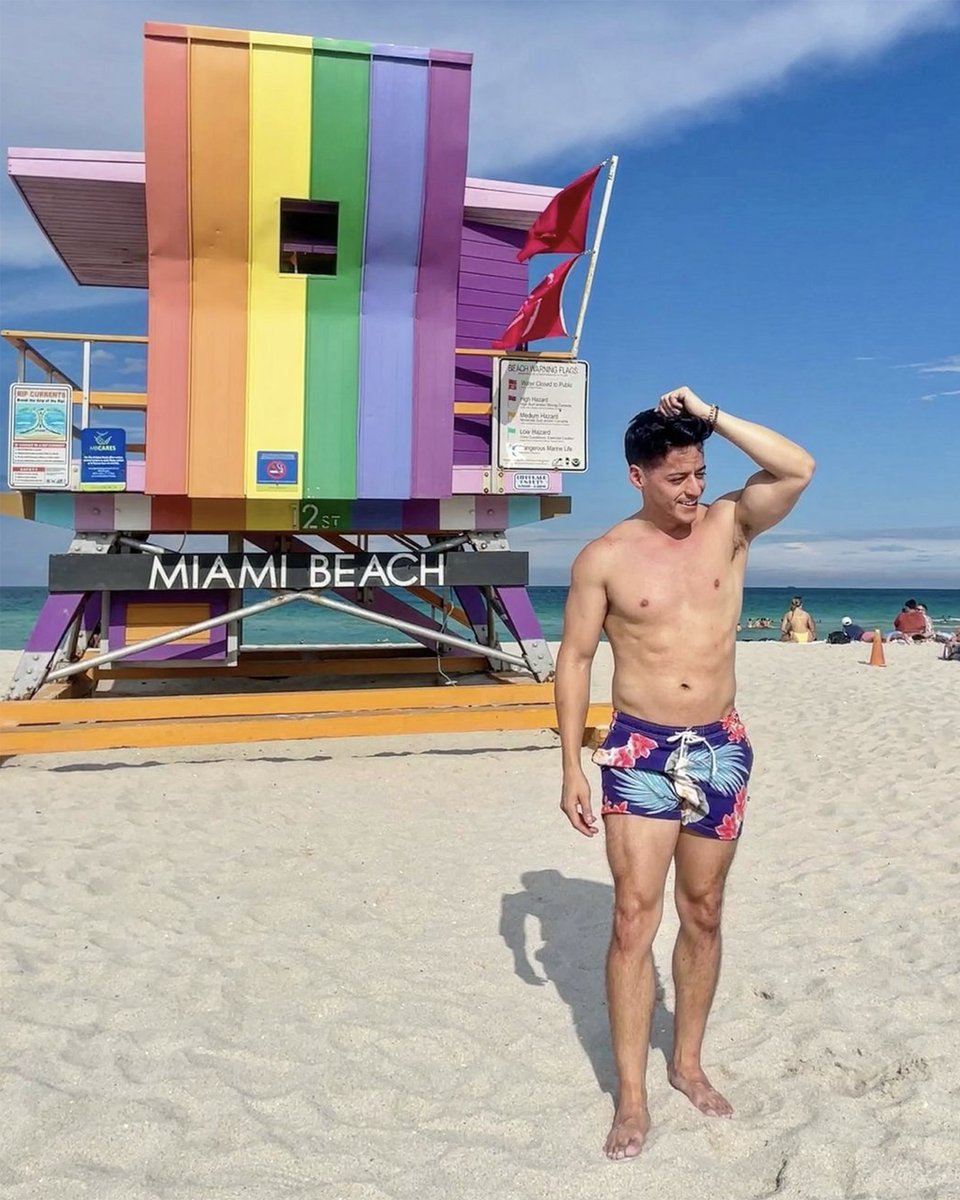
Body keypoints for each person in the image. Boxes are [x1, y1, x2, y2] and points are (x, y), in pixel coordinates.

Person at [555, 387, 814, 1160]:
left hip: (720, 745)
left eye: (699, 472)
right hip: (639, 751)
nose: (694, 489)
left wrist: (713, 415)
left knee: (703, 908)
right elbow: (573, 658)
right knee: (635, 918)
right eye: (677, 478)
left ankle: (688, 1062)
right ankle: (631, 1097)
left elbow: (797, 467)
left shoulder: (731, 527)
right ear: (637, 477)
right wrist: (570, 761)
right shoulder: (603, 557)